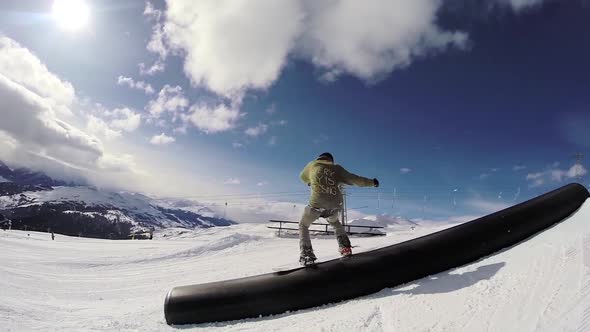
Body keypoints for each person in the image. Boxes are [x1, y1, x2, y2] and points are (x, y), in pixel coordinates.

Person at [298, 152, 379, 266]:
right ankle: (345, 248)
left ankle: (307, 255)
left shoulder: (312, 165)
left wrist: (310, 181)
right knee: (335, 223)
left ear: (319, 158)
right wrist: (372, 182)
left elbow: (302, 176)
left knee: (303, 225)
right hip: (335, 206)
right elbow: (354, 179)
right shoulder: (337, 168)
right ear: (331, 160)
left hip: (316, 204)